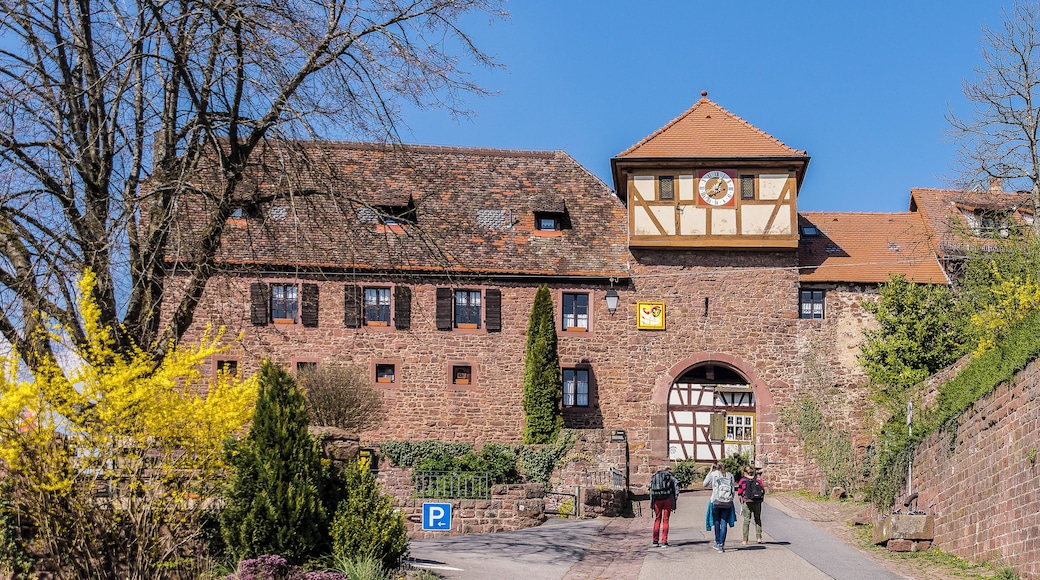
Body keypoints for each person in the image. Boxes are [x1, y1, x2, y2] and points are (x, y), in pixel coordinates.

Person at [702, 462, 736, 552]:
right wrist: (730, 499)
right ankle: (721, 544)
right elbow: (733, 490)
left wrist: (710, 471)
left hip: (716, 501)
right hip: (727, 502)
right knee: (724, 522)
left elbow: (704, 484)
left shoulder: (714, 474)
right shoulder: (730, 475)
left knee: (716, 521)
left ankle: (717, 542)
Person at [648, 466, 679, 548]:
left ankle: (655, 541)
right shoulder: (670, 477)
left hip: (657, 500)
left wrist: (651, 503)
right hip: (667, 499)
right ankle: (664, 541)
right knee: (666, 520)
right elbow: (676, 489)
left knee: (657, 519)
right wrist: (674, 500)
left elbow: (650, 490)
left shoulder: (655, 476)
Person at [737, 466, 766, 545]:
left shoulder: (742, 481)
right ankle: (759, 537)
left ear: (745, 473)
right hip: (757, 502)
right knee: (758, 519)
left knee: (747, 520)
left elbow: (739, 492)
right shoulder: (758, 480)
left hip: (747, 502)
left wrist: (741, 501)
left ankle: (745, 539)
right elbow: (763, 490)